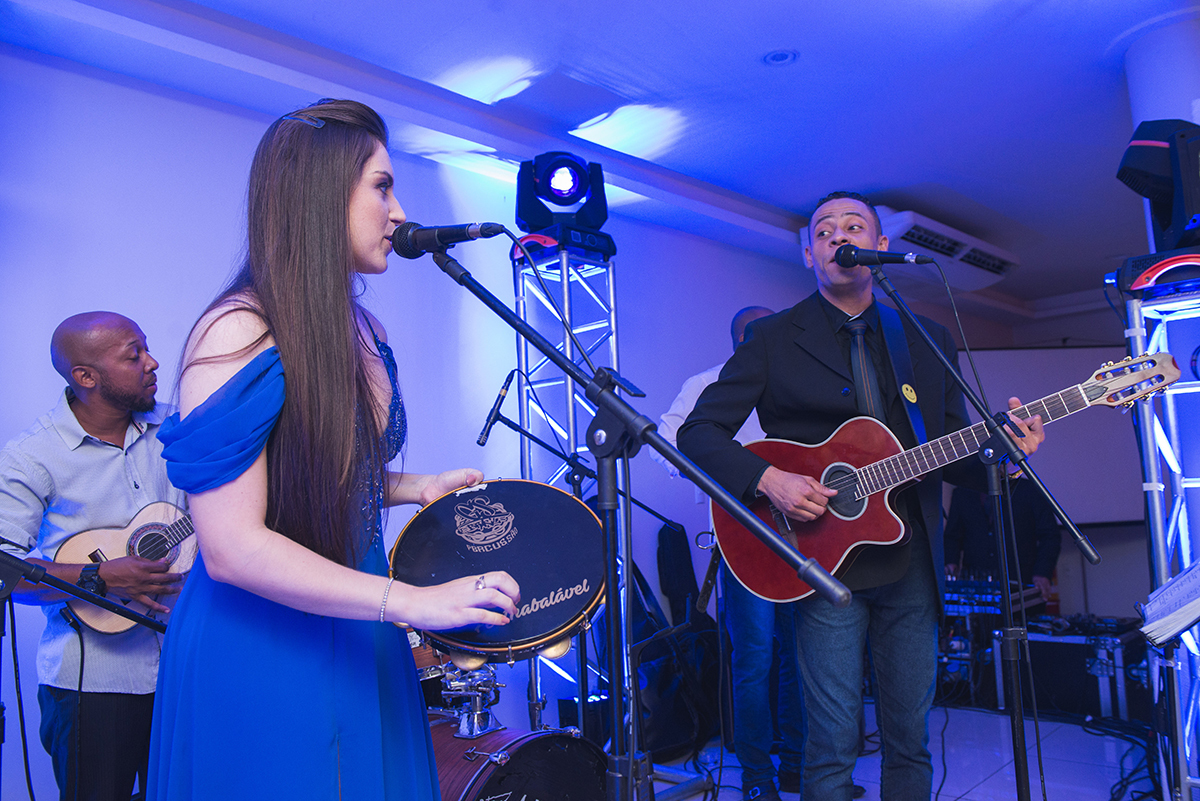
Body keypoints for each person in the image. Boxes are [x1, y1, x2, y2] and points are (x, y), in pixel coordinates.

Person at [145, 99, 520, 800]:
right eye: (382, 186)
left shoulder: (365, 328)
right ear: (321, 192)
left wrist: (413, 485)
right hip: (263, 642)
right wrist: (414, 601)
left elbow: (324, 467)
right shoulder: (237, 331)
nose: (399, 210)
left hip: (359, 627)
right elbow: (231, 546)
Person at [677, 191, 1045, 800]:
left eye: (855, 227)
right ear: (808, 255)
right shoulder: (771, 337)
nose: (839, 237)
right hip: (821, 559)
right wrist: (768, 479)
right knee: (829, 747)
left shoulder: (925, 337)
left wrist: (1006, 461)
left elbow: (957, 450)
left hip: (912, 559)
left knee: (910, 739)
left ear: (879, 247)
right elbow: (697, 433)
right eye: (825, 231)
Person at [0, 311, 186, 801]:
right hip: (91, 689)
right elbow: (2, 570)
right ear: (86, 377)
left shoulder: (179, 426)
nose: (153, 362)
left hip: (187, 669)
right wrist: (98, 576)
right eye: (134, 354)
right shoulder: (30, 457)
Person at [654, 307, 809, 800]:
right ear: (742, 339)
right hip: (745, 540)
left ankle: (798, 770)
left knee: (803, 657)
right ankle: (758, 779)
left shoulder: (801, 380)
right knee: (755, 659)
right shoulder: (707, 384)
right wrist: (737, 479)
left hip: (808, 539)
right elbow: (668, 445)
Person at [944, 481, 1062, 600]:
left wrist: (1042, 573)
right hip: (976, 586)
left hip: (1021, 583)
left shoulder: (1030, 490)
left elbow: (1050, 536)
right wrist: (951, 563)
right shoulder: (962, 492)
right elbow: (952, 536)